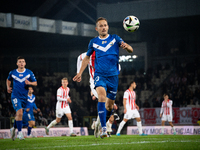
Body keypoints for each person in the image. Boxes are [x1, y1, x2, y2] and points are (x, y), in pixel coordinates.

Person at [73, 17, 133, 138]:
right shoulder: (93, 42)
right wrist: (79, 73)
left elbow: (131, 50)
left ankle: (100, 124)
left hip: (113, 77)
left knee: (110, 106)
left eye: (105, 25)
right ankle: (104, 130)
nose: (103, 27)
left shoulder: (115, 38)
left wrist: (126, 47)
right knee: (101, 97)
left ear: (108, 27)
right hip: (99, 75)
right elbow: (86, 58)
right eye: (101, 26)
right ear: (97, 29)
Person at [77, 52, 120, 137]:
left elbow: (118, 66)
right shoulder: (89, 54)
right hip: (94, 83)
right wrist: (79, 73)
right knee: (104, 101)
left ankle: (97, 125)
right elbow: (79, 57)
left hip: (105, 82)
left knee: (107, 107)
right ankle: (104, 129)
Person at [7, 56, 37, 140]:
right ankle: (20, 133)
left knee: (19, 115)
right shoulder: (12, 72)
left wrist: (29, 82)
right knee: (19, 112)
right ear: (17, 63)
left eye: (23, 61)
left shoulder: (29, 72)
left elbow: (35, 83)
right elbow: (8, 79)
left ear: (25, 63)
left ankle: (13, 128)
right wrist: (8, 87)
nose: (21, 63)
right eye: (20, 61)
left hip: (25, 97)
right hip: (16, 96)